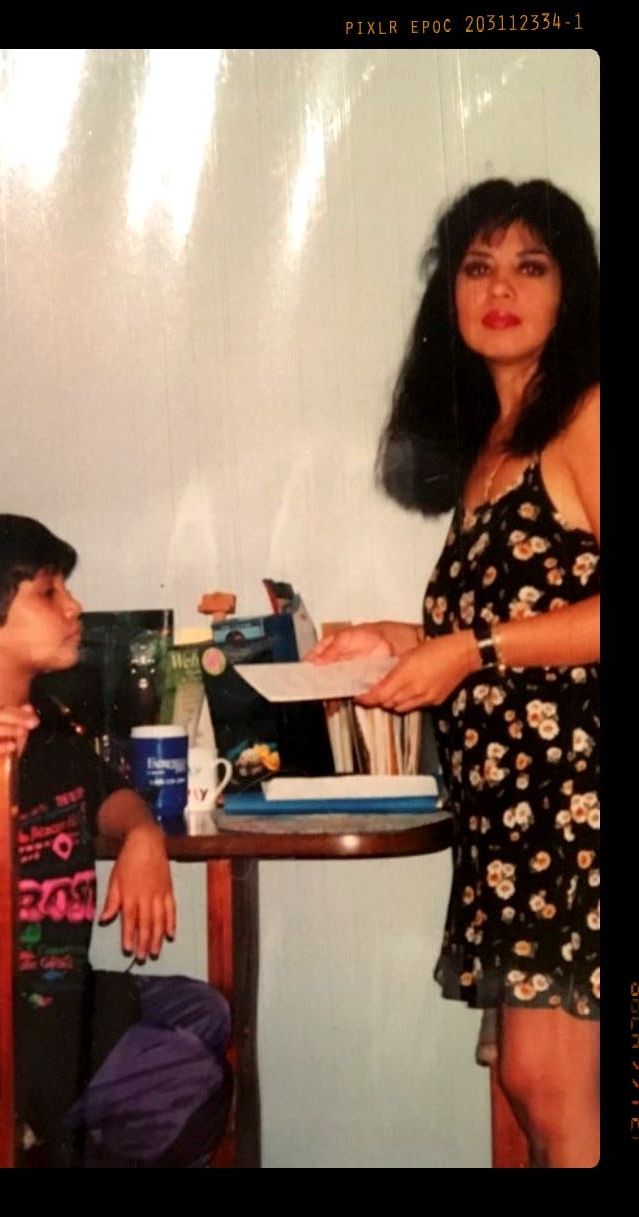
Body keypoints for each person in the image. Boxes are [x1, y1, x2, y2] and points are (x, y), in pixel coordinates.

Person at [307, 179, 599, 1168]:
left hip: (578, 809)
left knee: (551, 1088)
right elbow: (520, 615)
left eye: (530, 266)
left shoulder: (588, 415)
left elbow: (503, 639)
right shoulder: (494, 448)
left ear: (571, 290)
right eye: (477, 267)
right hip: (513, 816)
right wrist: (394, 639)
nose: (499, 288)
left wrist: (466, 651)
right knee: (532, 1084)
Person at [0, 513, 232, 1167]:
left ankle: (60, 1139)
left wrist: (143, 835)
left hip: (63, 998)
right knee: (187, 1077)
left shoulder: (47, 724)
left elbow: (109, 794)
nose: (74, 606)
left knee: (205, 1010)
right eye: (49, 591)